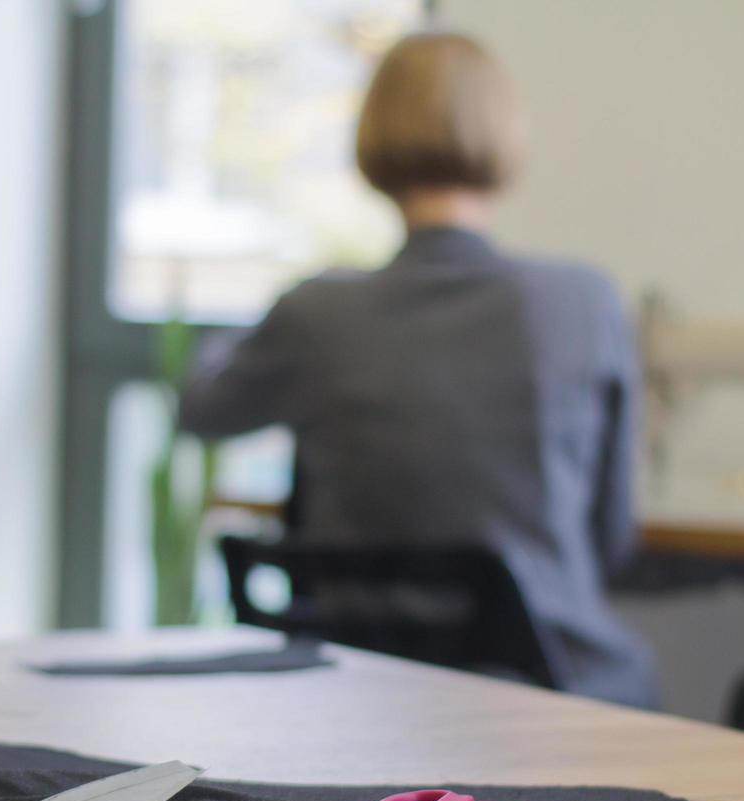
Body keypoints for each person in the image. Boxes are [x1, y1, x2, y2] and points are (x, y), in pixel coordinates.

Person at [178, 32, 658, 708]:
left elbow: (201, 409)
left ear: (373, 141)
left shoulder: (316, 312)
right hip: (557, 696)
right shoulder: (582, 302)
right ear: (506, 139)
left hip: (366, 695)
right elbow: (611, 541)